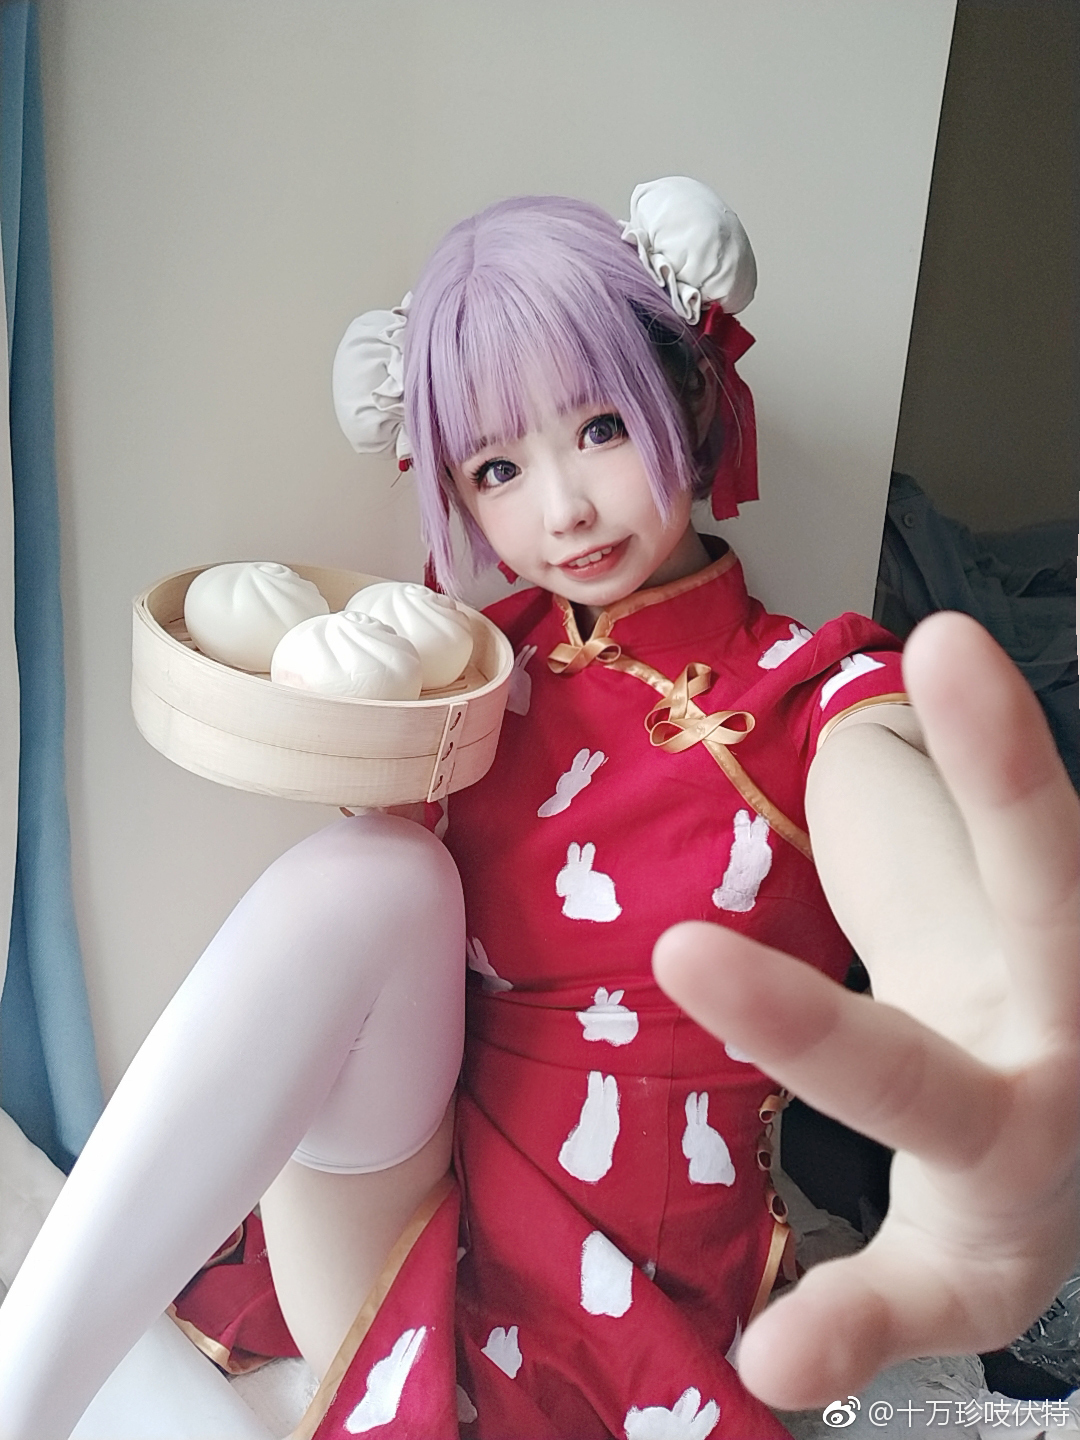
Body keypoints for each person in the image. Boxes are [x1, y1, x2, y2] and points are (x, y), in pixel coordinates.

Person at [0, 179, 1075, 1440]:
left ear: (689, 397)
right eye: (499, 468)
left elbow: (895, 832)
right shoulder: (464, 675)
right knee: (375, 871)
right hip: (401, 1225)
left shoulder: (808, 687)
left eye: (602, 427)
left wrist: (981, 1013)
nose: (562, 509)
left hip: (633, 1308)